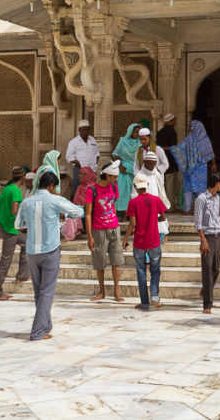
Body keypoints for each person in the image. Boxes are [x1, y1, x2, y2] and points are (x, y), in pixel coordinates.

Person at [16, 170, 84, 340]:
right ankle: (37, 331)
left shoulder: (27, 202)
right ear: (52, 186)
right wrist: (63, 215)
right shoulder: (55, 200)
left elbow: (18, 224)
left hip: (32, 251)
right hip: (50, 249)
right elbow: (78, 212)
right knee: (46, 291)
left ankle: (46, 325)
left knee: (39, 291)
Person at [123, 169, 168, 311]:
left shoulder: (133, 202)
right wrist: (154, 219)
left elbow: (133, 223)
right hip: (154, 241)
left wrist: (125, 239)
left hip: (139, 242)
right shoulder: (155, 200)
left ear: (136, 186)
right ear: (147, 184)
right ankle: (154, 296)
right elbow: (164, 217)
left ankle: (144, 302)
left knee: (141, 272)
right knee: (155, 270)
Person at [86, 162, 124, 303]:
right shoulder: (92, 190)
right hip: (98, 230)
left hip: (114, 228)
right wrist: (90, 237)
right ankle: (102, 291)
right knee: (100, 263)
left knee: (116, 261)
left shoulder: (114, 187)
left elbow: (112, 205)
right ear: (107, 175)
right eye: (114, 177)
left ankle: (116, 291)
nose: (116, 179)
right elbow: (88, 214)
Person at [0, 166, 30, 301]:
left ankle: (23, 275)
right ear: (23, 177)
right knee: (6, 259)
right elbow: (14, 211)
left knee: (27, 245)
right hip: (10, 228)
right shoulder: (15, 191)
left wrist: (3, 214)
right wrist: (24, 221)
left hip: (4, 225)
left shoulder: (6, 188)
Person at [170, 119, 215, 214]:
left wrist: (171, 148)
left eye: (191, 126)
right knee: (200, 188)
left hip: (190, 168)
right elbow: (210, 153)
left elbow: (180, 149)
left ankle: (187, 209)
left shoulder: (189, 138)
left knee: (189, 188)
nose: (189, 128)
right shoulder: (204, 139)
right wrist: (213, 164)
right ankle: (201, 210)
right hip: (201, 168)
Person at [195, 171, 220, 314]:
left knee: (216, 269)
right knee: (207, 271)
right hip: (207, 237)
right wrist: (203, 240)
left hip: (217, 236)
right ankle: (207, 304)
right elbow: (198, 222)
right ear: (216, 183)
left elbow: (216, 218)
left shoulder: (217, 198)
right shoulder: (202, 199)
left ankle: (204, 291)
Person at [112, 124, 141, 215]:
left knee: (134, 192)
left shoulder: (140, 142)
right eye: (136, 132)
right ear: (130, 131)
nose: (137, 134)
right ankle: (123, 213)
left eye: (139, 132)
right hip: (123, 169)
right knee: (122, 191)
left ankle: (132, 213)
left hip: (135, 169)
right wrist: (120, 166)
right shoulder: (122, 141)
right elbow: (115, 154)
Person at [66, 119, 100, 193]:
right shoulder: (73, 142)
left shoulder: (92, 140)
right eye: (83, 130)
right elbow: (69, 157)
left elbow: (97, 154)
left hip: (92, 169)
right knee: (78, 189)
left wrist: (95, 165)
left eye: (87, 130)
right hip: (80, 170)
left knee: (91, 190)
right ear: (79, 130)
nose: (85, 132)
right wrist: (82, 165)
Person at [61, 167, 93, 242]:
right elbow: (76, 201)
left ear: (86, 175)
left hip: (87, 209)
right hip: (78, 208)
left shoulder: (92, 187)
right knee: (63, 213)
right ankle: (64, 231)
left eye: (80, 174)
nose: (78, 176)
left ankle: (70, 235)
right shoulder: (80, 187)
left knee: (71, 215)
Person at [156, 114, 179, 208]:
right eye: (173, 120)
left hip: (160, 161)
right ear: (170, 121)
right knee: (170, 185)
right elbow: (173, 148)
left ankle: (161, 206)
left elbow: (158, 146)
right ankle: (170, 207)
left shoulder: (160, 132)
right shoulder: (172, 131)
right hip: (170, 161)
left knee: (161, 185)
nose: (175, 122)